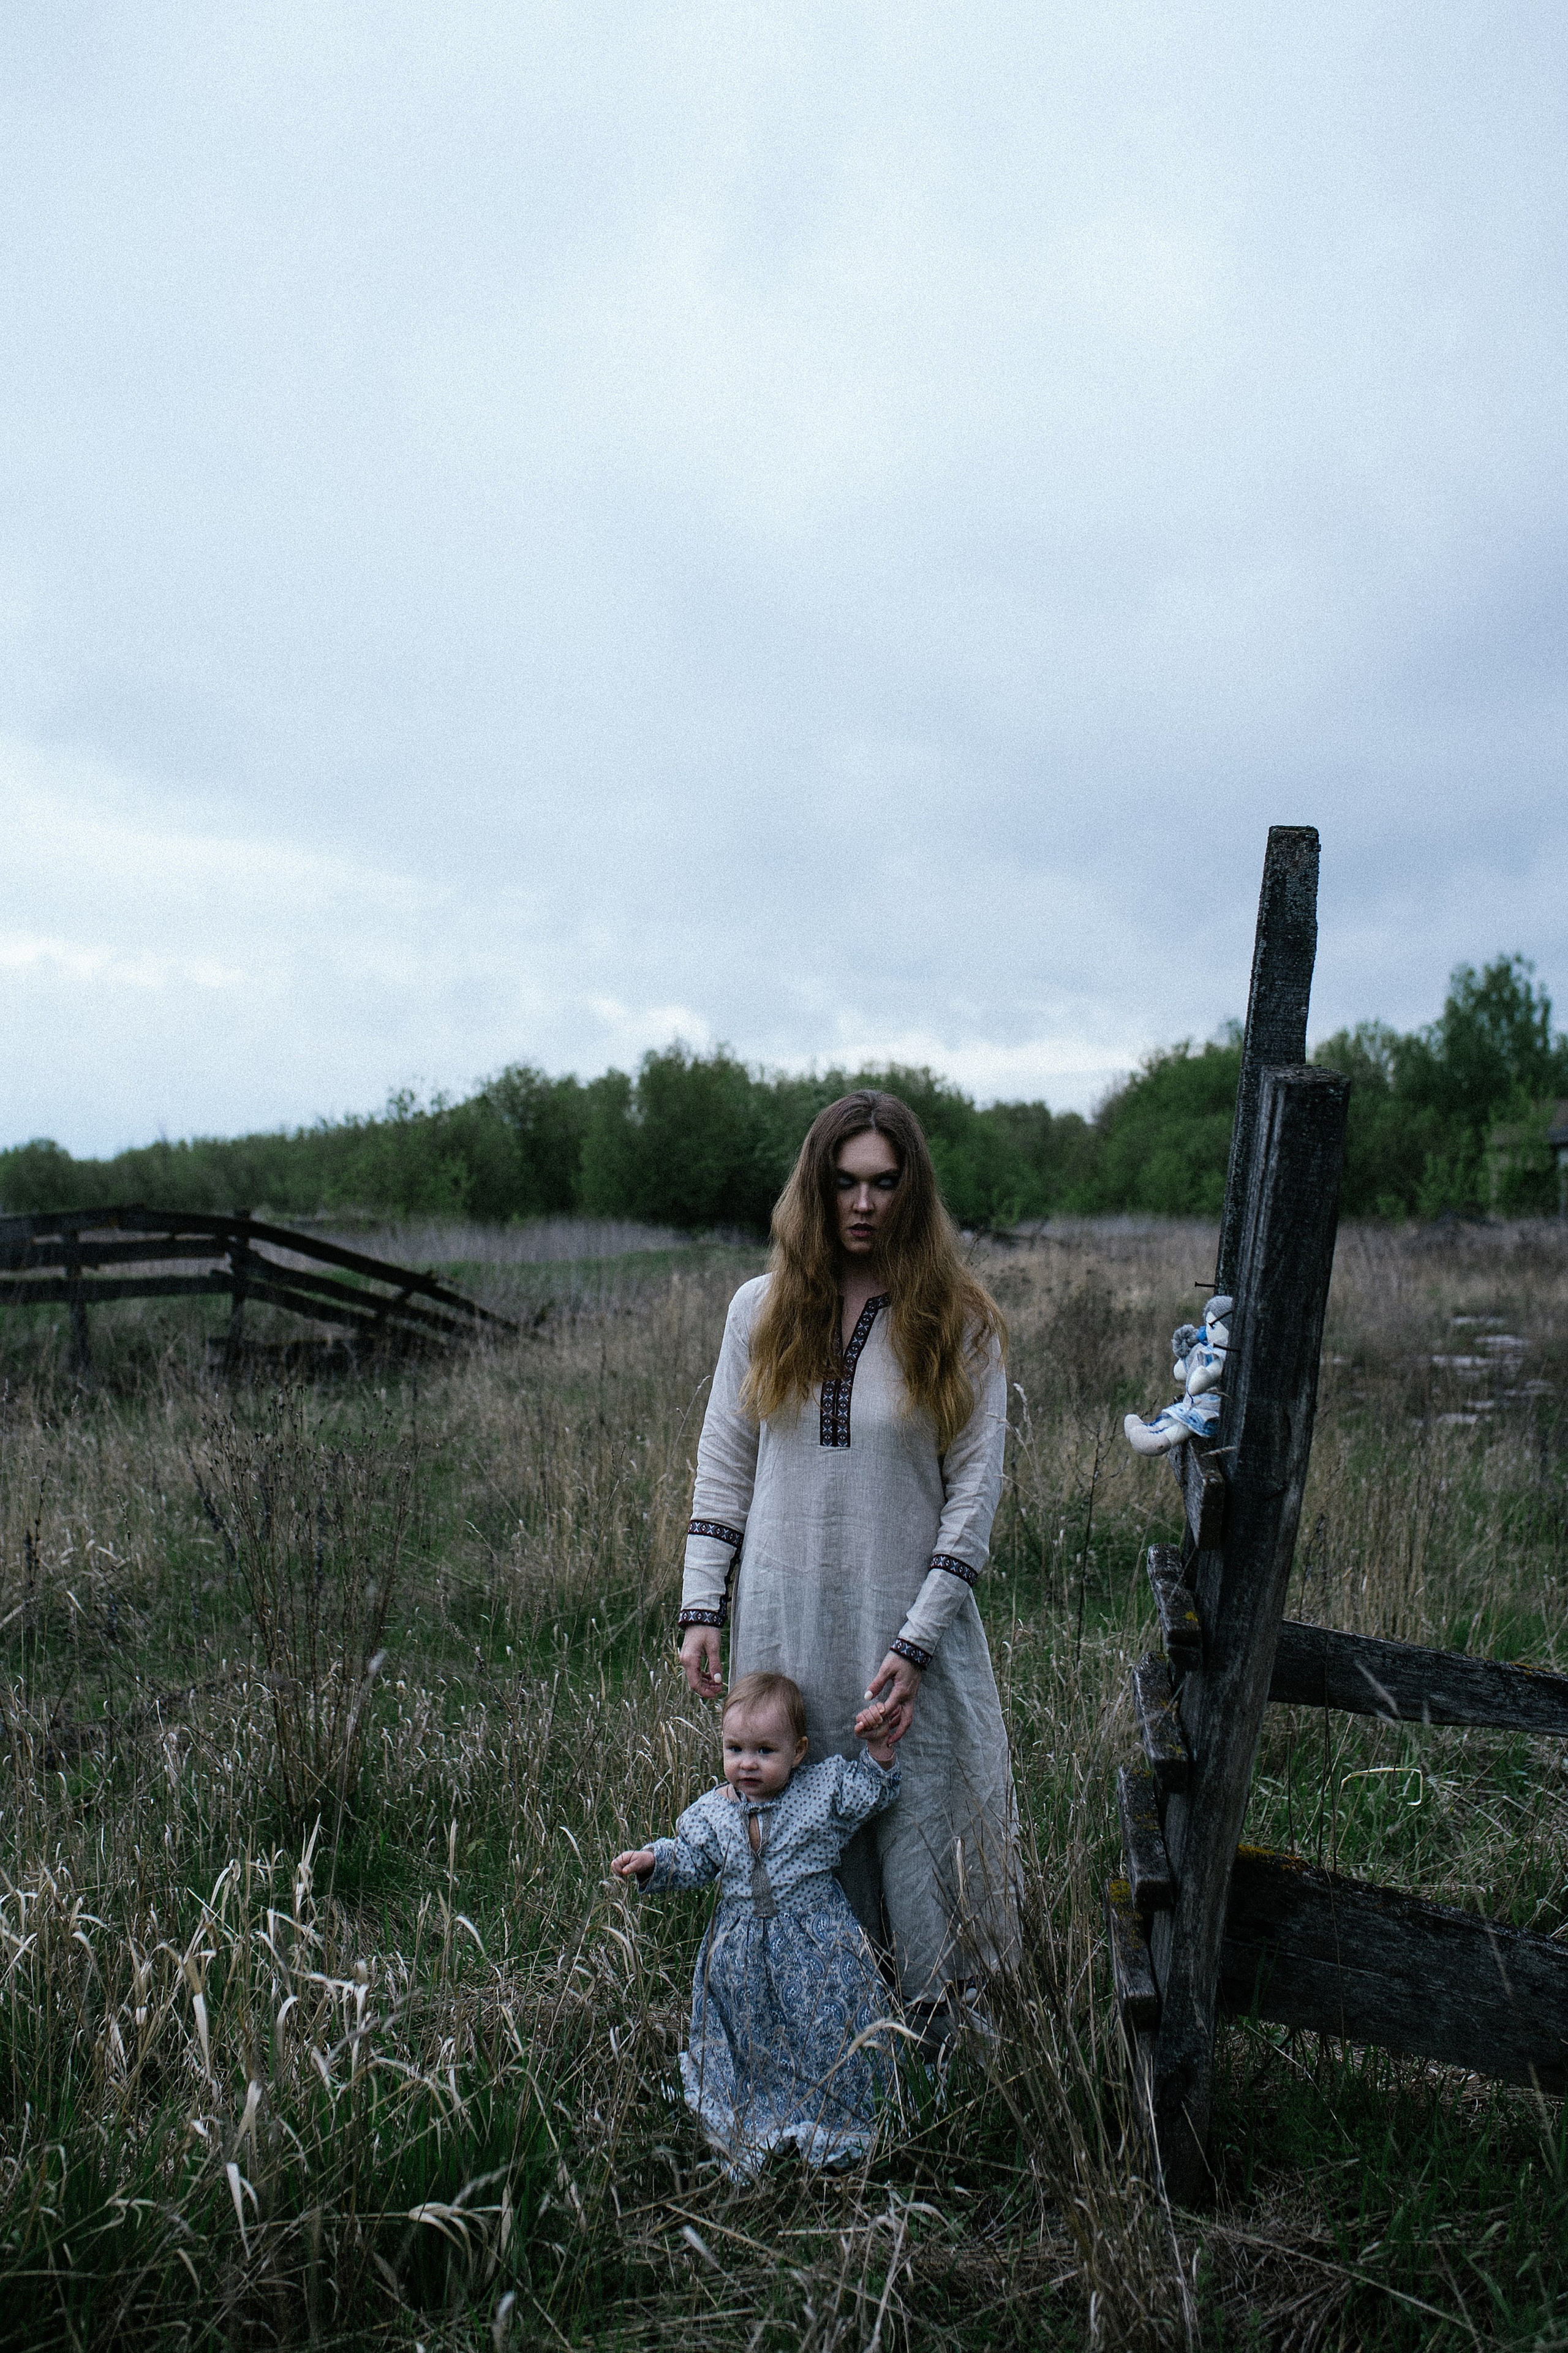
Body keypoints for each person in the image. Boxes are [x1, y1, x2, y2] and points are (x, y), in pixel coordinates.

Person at [674, 1090, 1015, 2042]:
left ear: (913, 1193)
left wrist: (918, 1639)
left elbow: (974, 1495)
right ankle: (811, 2032)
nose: (863, 1204)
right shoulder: (763, 1307)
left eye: (884, 1184)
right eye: (844, 1183)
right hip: (783, 1621)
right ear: (815, 1190)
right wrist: (703, 1605)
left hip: (903, 1626)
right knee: (795, 1819)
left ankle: (935, 2040)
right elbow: (724, 1461)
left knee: (917, 1815)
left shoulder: (961, 1321)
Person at [612, 1670, 901, 2176]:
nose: (747, 1763)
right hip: (740, 1954)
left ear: (799, 1750)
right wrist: (654, 1861)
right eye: (735, 1748)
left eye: (765, 1750)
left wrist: (878, 1748)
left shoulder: (820, 1793)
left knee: (826, 2030)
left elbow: (871, 1792)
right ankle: (757, 2113)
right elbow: (694, 1858)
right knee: (750, 2040)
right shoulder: (713, 1813)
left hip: (817, 1945)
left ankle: (837, 2114)